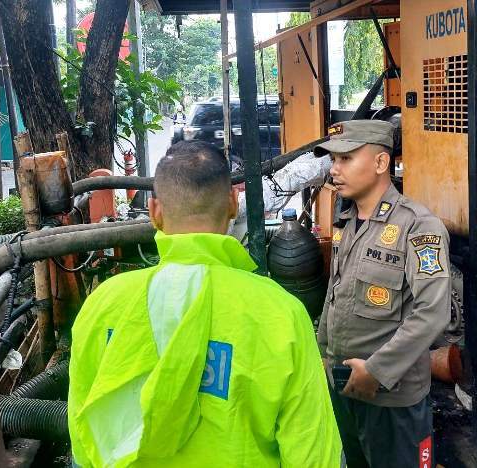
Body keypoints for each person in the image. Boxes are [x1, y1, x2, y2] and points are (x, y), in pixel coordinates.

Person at [68, 141, 341, 467]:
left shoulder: (102, 305)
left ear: (155, 211)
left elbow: (83, 438)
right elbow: (314, 455)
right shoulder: (282, 314)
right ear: (232, 203)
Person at [315, 120, 451, 468]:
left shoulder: (418, 226)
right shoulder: (349, 221)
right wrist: (322, 354)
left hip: (391, 396)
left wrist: (376, 370)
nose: (335, 169)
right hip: (343, 384)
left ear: (380, 163)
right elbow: (336, 294)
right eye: (333, 159)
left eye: (345, 158)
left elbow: (433, 313)